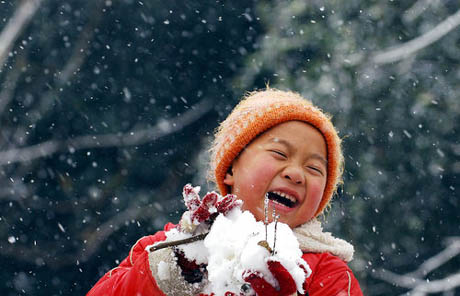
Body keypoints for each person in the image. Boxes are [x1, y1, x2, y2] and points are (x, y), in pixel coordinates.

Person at [87, 88, 364, 296]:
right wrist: (172, 273)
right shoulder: (172, 246)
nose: (296, 173)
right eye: (279, 153)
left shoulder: (328, 275)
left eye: (314, 169)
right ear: (230, 169)